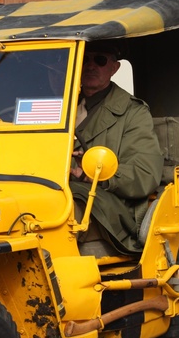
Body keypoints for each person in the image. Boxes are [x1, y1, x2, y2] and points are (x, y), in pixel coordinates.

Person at [69, 41, 164, 255]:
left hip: (108, 206)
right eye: (85, 59)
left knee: (57, 215)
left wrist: (97, 174)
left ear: (114, 68)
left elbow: (145, 174)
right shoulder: (62, 105)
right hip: (56, 192)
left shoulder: (133, 113)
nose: (90, 66)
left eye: (100, 60)